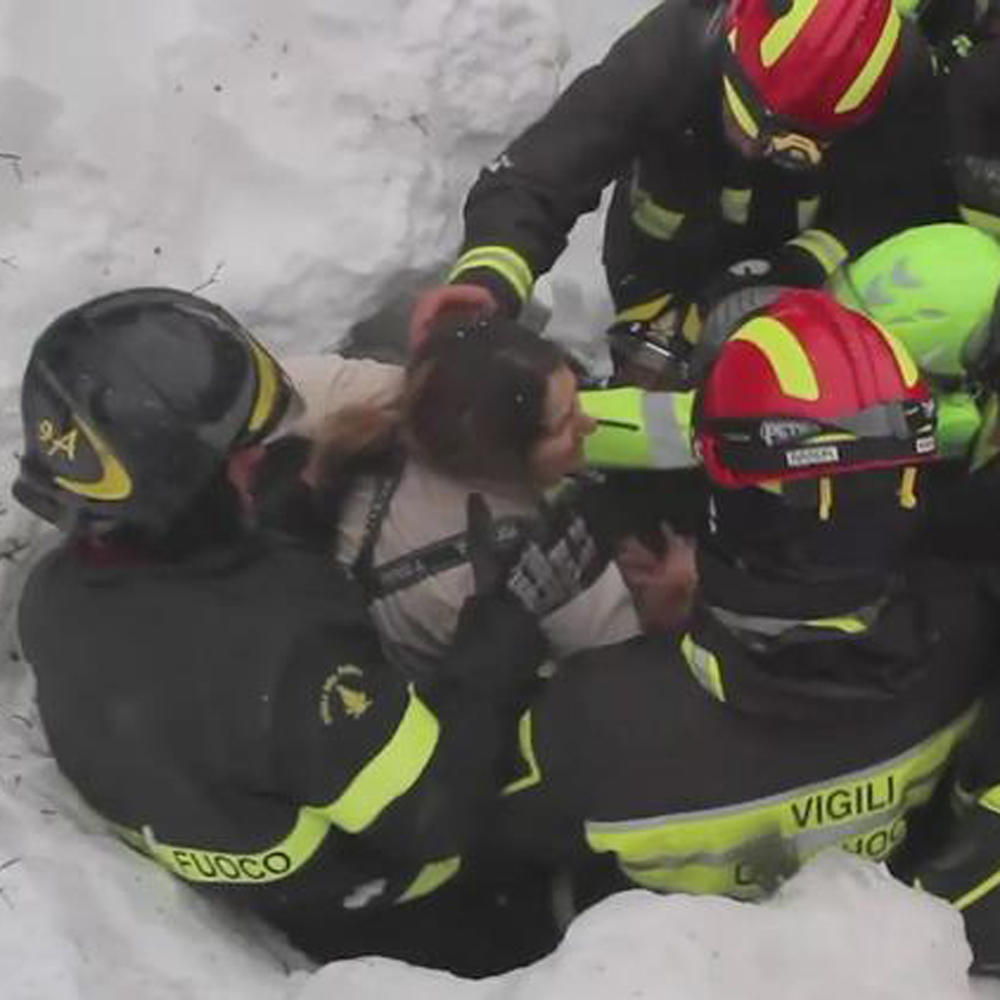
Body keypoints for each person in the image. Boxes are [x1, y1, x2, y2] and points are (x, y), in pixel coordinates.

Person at [12, 288, 571, 976]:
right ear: (176, 490)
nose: (260, 458)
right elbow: (434, 814)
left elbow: (209, 640)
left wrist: (311, 498)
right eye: (240, 451)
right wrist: (498, 635)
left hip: (237, 827)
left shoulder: (52, 598)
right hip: (386, 908)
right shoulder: (291, 651)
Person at [490, 290, 996, 924]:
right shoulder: (971, 637)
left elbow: (466, 832)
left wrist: (497, 633)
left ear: (720, 500)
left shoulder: (585, 724)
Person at [411, 0, 956, 388]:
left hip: (803, 278)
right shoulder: (671, 50)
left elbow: (901, 204)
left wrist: (798, 268)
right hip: (658, 267)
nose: (757, 150)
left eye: (793, 147)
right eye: (747, 122)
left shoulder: (901, 77)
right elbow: (540, 174)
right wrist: (489, 281)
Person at [291, 316, 644, 675]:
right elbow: (624, 676)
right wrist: (666, 607)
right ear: (504, 453)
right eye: (565, 422)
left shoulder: (401, 406)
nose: (590, 425)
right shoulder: (547, 558)